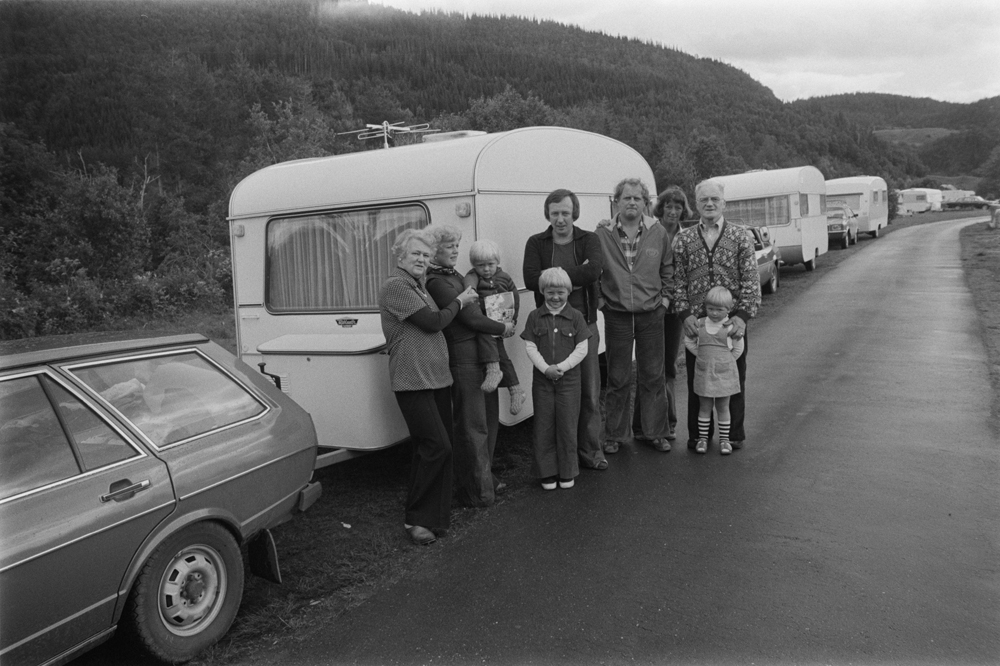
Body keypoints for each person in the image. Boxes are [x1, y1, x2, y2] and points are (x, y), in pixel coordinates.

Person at [378, 229, 479, 545]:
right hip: (412, 379)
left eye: (425, 255)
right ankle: (416, 519)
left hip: (436, 377)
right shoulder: (396, 286)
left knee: (434, 447)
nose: (421, 260)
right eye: (415, 255)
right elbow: (433, 323)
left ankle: (434, 518)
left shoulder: (420, 286)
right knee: (437, 446)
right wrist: (461, 302)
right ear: (401, 257)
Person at [425, 226, 514, 508]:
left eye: (456, 245)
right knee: (472, 426)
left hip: (480, 354)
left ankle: (485, 478)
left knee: (489, 421)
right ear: (433, 250)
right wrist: (503, 326)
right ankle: (476, 492)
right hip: (463, 357)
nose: (455, 250)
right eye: (449, 246)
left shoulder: (456, 276)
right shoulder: (437, 281)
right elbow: (472, 317)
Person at [672, 179, 761, 450]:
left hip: (730, 322)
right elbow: (677, 281)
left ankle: (732, 435)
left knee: (733, 378)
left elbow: (751, 280)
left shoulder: (739, 236)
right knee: (698, 380)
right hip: (697, 324)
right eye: (703, 200)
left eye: (714, 200)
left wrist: (742, 317)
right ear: (696, 204)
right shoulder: (684, 239)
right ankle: (699, 436)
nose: (709, 204)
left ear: (724, 203)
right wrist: (684, 314)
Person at [523, 189, 608, 470]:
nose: (560, 219)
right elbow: (531, 278)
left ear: (575, 214)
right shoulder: (536, 243)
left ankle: (591, 452)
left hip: (584, 323)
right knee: (552, 396)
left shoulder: (589, 239)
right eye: (555, 212)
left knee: (589, 391)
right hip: (546, 327)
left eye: (566, 213)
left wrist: (554, 276)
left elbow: (594, 270)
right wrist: (574, 272)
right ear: (548, 214)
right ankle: (560, 456)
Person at [595, 178, 675, 454]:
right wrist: (601, 301)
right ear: (616, 201)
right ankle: (614, 435)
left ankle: (654, 432)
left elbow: (668, 270)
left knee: (653, 374)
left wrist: (664, 301)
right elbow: (595, 271)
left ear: (645, 203)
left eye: (637, 198)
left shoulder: (658, 232)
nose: (631, 202)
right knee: (617, 377)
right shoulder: (602, 233)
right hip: (616, 314)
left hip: (651, 312)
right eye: (626, 197)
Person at [631, 186, 696, 443]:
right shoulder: (648, 231)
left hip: (673, 310)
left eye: (678, 207)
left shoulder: (686, 237)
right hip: (647, 307)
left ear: (683, 210)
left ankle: (668, 422)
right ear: (661, 208)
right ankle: (639, 425)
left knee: (668, 365)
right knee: (647, 366)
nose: (673, 211)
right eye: (668, 206)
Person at [520, 267, 591, 490]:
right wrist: (545, 369)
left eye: (560, 292)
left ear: (568, 292)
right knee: (544, 425)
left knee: (567, 424)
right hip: (543, 381)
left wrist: (560, 367)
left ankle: (567, 471)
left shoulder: (576, 316)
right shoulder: (534, 316)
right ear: (542, 292)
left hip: (569, 381)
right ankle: (547, 473)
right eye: (550, 292)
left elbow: (582, 348)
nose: (555, 297)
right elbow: (530, 346)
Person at [463, 239, 526, 413]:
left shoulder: (504, 277)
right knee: (500, 354)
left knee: (502, 355)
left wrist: (513, 321)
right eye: (480, 265)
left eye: (490, 264)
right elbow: (469, 284)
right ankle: (512, 386)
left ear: (497, 262)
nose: (486, 269)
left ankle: (507, 382)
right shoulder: (474, 276)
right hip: (488, 322)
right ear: (474, 265)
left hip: (502, 321)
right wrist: (471, 290)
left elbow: (515, 297)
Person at [684, 286, 745, 455]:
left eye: (719, 310)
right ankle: (702, 439)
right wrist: (701, 355)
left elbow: (738, 348)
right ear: (705, 307)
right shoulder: (700, 324)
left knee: (723, 407)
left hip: (724, 373)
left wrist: (727, 360)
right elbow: (688, 342)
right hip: (704, 373)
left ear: (729, 309)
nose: (715, 313)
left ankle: (725, 440)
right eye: (710, 309)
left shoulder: (730, 327)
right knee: (704, 406)